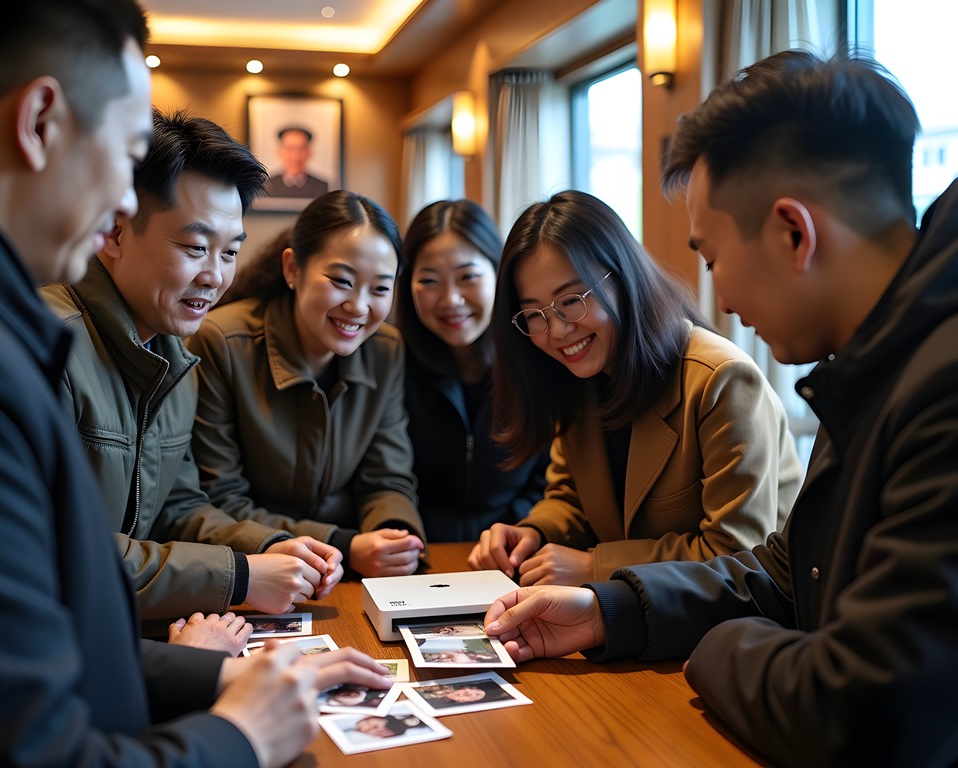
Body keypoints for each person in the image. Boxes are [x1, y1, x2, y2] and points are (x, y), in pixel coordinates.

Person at [0, 2, 392, 765]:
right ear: (40, 122)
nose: (120, 199)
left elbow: (77, 617)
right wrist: (241, 733)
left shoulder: (131, 344)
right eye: (123, 153)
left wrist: (231, 668)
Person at [483, 49, 958, 768]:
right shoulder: (870, 369)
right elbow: (782, 572)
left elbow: (870, 708)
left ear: (793, 232)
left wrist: (720, 643)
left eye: (711, 258)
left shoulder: (938, 388)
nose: (722, 300)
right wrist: (609, 610)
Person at [40, 107, 343, 625]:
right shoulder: (50, 344)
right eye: (196, 247)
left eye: (230, 253)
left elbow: (178, 508)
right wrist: (240, 576)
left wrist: (274, 546)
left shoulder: (173, 353)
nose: (215, 276)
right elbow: (54, 554)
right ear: (115, 232)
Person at [467, 189, 802, 585]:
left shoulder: (721, 380)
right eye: (534, 314)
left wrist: (595, 566)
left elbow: (737, 554)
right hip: (633, 618)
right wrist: (534, 533)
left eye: (572, 300)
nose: (556, 331)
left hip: (738, 626)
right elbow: (571, 497)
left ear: (621, 278)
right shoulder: (582, 378)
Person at [187, 190, 427, 577]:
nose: (359, 307)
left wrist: (391, 540)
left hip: (348, 570)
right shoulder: (222, 342)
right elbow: (219, 499)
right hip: (254, 568)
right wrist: (343, 544)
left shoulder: (386, 349)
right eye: (342, 281)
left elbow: (387, 476)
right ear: (293, 269)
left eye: (380, 288)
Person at [396, 199, 549, 541]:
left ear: (498, 273)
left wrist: (515, 532)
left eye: (468, 276)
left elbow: (551, 479)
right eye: (430, 280)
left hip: (515, 551)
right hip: (415, 555)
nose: (450, 299)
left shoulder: (539, 355)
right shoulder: (391, 362)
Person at [264, 125, 329, 199]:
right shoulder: (266, 186)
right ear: (279, 152)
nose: (295, 156)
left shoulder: (321, 187)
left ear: (309, 153)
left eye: (301, 149)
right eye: (290, 148)